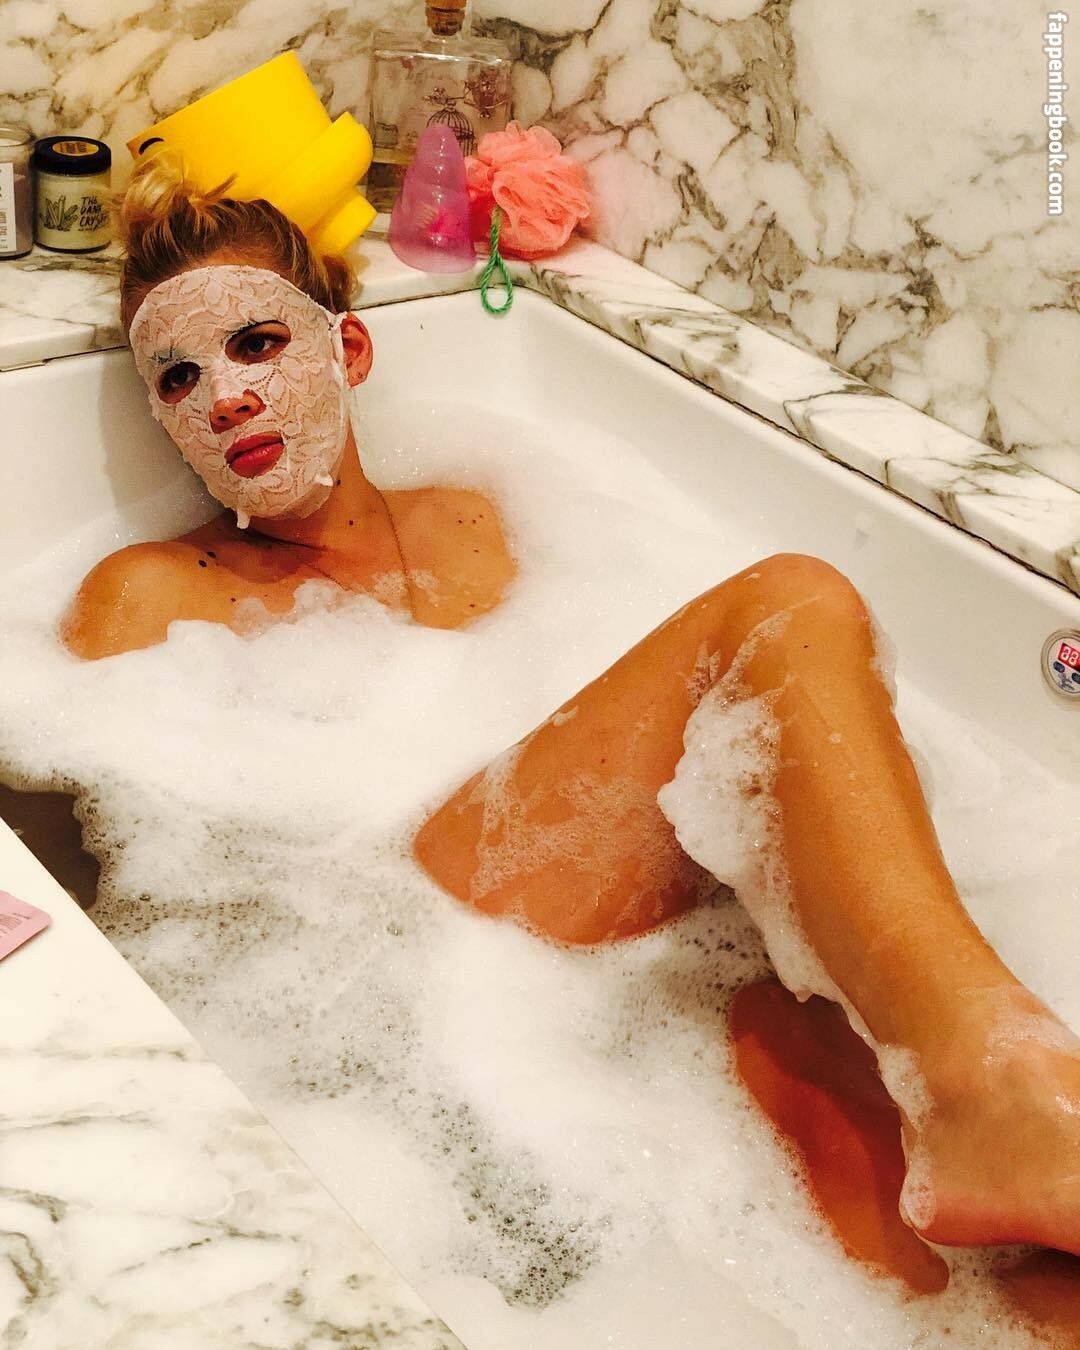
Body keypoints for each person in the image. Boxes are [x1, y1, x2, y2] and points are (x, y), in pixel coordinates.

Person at [63, 154, 1080, 1261]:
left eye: (257, 343)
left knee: (941, 1214)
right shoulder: (146, 594)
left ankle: (1002, 1133)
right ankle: (1008, 1081)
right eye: (176, 377)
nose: (224, 396)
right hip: (404, 913)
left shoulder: (490, 514)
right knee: (791, 603)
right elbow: (157, 866)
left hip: (631, 922)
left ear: (347, 349)